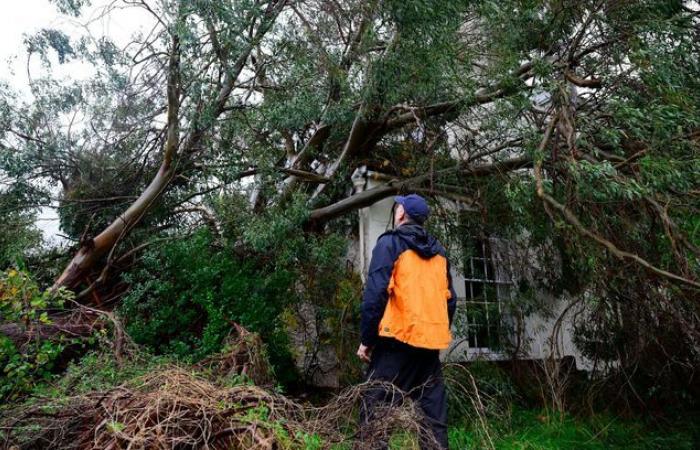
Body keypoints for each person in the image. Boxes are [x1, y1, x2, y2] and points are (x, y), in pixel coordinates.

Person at [357, 193, 457, 449]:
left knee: (373, 414)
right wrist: (430, 332)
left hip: (395, 345)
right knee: (433, 422)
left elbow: (375, 296)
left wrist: (367, 340)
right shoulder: (440, 253)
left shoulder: (390, 244)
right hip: (428, 351)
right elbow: (450, 302)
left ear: (401, 213)